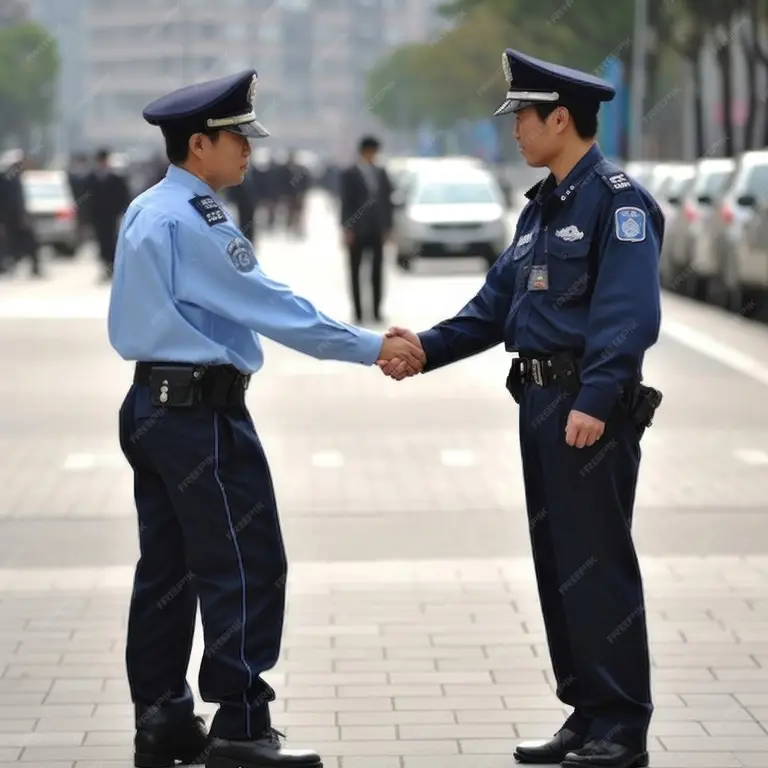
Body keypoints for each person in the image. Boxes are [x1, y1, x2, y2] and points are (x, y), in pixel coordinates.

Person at [107, 69, 424, 768]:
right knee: (244, 563)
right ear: (198, 145)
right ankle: (242, 726)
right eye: (236, 138)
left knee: (168, 569)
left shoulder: (148, 209)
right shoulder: (193, 222)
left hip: (151, 407)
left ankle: (161, 720)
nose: (248, 150)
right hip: (200, 418)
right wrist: (373, 346)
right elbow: (274, 307)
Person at [379, 48, 663, 768]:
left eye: (524, 118)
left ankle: (621, 725)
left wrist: (597, 397)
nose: (514, 131)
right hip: (538, 401)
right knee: (559, 561)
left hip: (585, 407)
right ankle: (585, 710)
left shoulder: (618, 201)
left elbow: (627, 315)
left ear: (560, 119)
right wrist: (424, 348)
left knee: (598, 565)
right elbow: (493, 309)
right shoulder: (543, 208)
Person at [339, 136, 394, 324]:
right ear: (364, 151)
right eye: (372, 152)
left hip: (376, 230)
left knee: (377, 271)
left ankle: (377, 311)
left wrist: (388, 227)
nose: (374, 156)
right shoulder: (349, 174)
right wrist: (347, 228)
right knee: (355, 272)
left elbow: (387, 202)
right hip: (357, 230)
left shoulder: (381, 172)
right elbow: (345, 202)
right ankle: (359, 312)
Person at [85, 147, 131, 282]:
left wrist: (122, 213)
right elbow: (88, 199)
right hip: (98, 217)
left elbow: (124, 197)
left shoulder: (116, 179)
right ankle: (105, 267)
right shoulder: (91, 179)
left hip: (112, 216)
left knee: (113, 242)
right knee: (101, 243)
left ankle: (113, 268)